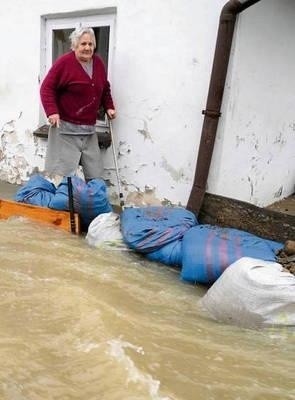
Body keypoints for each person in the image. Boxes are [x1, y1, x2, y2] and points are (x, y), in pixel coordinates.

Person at [40, 26, 116, 181]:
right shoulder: (64, 63)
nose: (87, 48)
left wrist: (109, 106)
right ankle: (59, 203)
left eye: (90, 44)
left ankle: (90, 202)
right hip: (65, 130)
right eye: (83, 44)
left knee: (95, 175)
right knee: (62, 175)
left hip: (88, 130)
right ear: (75, 45)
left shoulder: (98, 63)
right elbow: (47, 88)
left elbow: (104, 87)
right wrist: (52, 111)